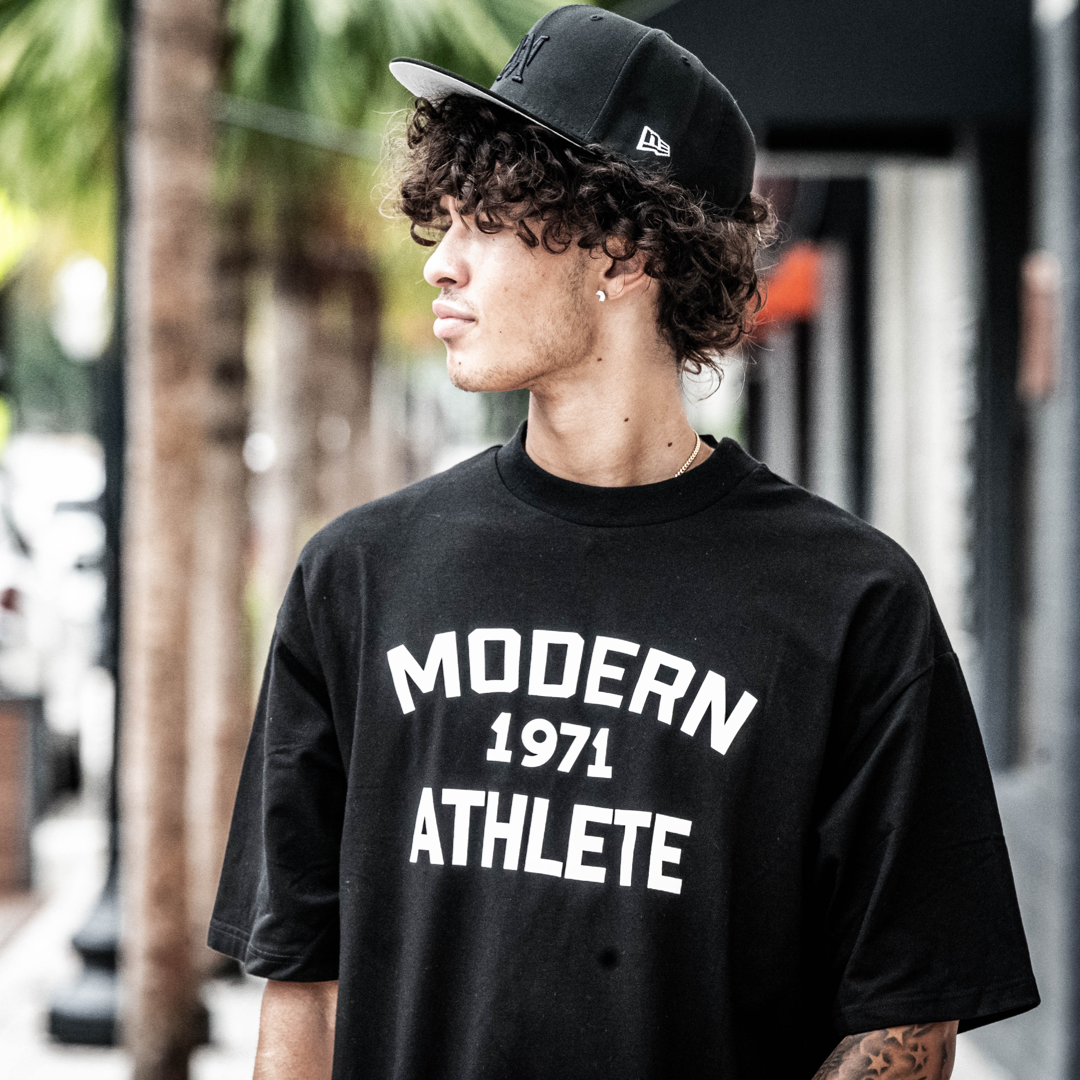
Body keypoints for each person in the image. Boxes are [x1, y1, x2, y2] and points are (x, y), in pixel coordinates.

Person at [208, 7, 1039, 1079]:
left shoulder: (852, 604)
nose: (440, 265)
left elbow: (906, 1020)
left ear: (626, 247)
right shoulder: (359, 577)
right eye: (442, 221)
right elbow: (303, 988)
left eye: (484, 223)